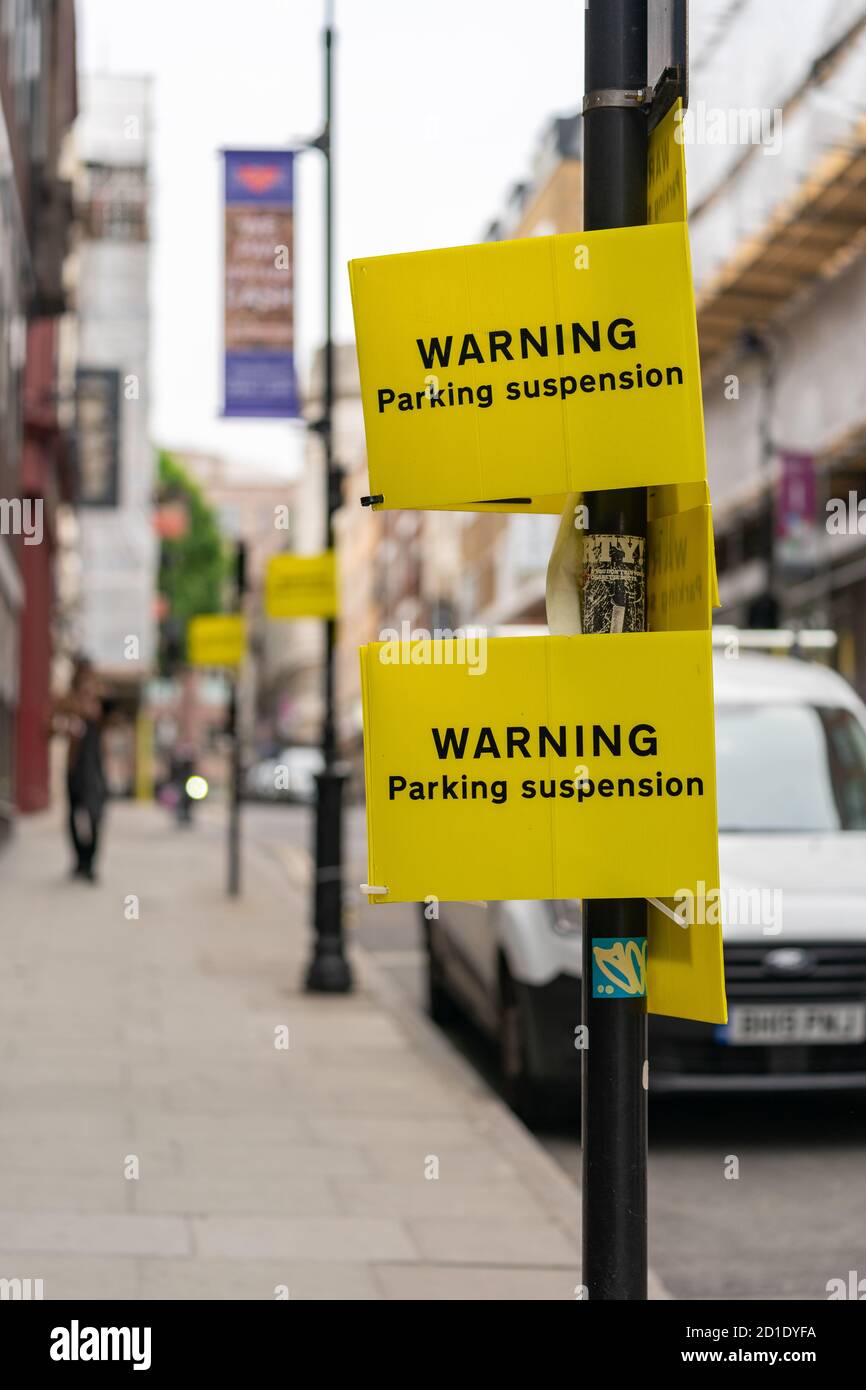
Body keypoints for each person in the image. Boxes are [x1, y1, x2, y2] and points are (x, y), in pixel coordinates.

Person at [54, 658, 108, 882]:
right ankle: (78, 861)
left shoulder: (100, 699)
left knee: (95, 815)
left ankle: (90, 863)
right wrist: (66, 723)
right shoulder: (68, 701)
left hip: (95, 768)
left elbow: (114, 717)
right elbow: (49, 724)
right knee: (74, 817)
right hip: (75, 767)